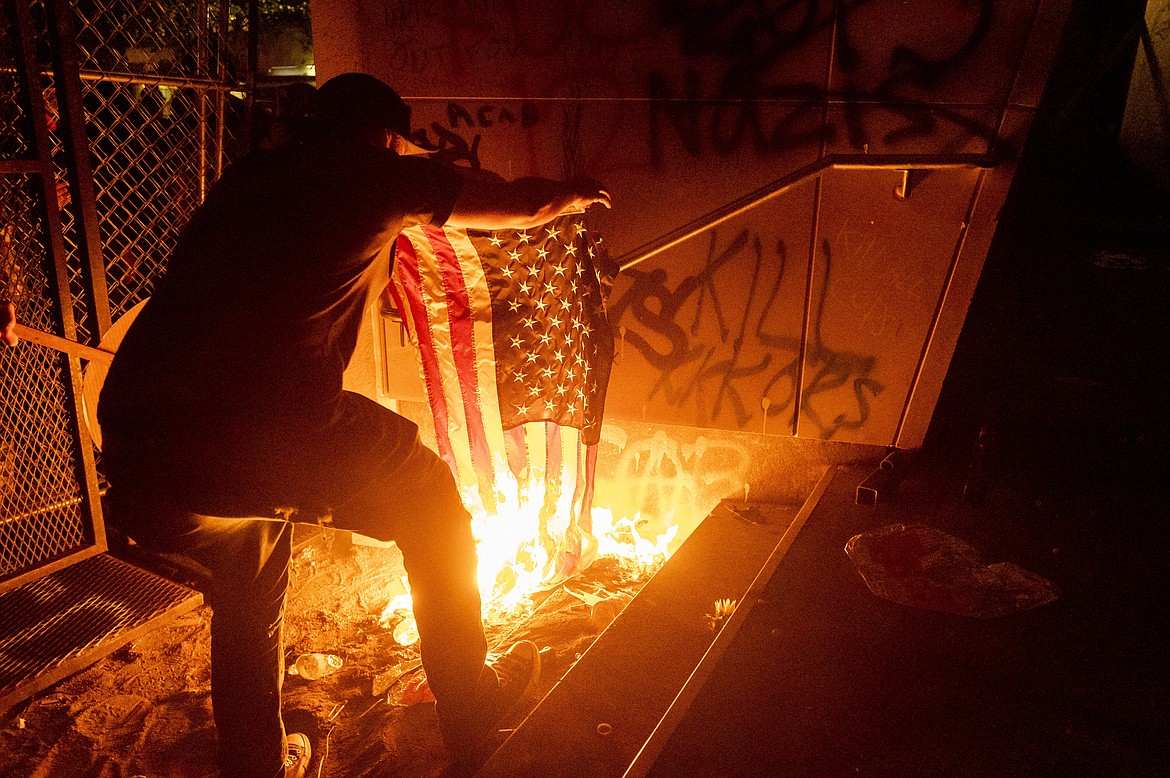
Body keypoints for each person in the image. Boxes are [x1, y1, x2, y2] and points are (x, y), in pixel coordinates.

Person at [97, 72, 612, 778]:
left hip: (141, 447)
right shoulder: (377, 174)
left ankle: (254, 762)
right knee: (432, 506)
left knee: (250, 573)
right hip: (269, 426)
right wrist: (575, 193)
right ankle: (473, 711)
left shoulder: (250, 177)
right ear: (388, 135)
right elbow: (522, 208)